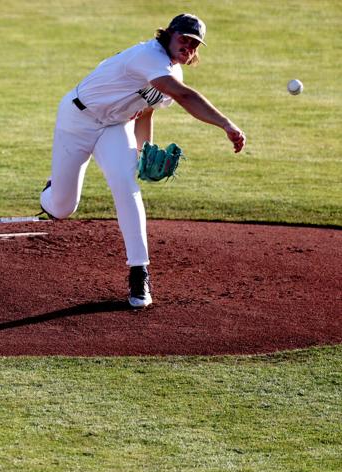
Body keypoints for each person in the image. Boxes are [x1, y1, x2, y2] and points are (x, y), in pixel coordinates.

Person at [38, 13, 246, 308]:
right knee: (61, 208)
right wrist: (227, 124)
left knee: (126, 185)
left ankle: (139, 273)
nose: (188, 46)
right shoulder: (149, 55)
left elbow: (146, 112)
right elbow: (186, 97)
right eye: (183, 38)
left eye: (194, 44)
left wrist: (141, 153)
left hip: (113, 127)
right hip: (77, 121)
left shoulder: (172, 74)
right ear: (169, 34)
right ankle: (51, 190)